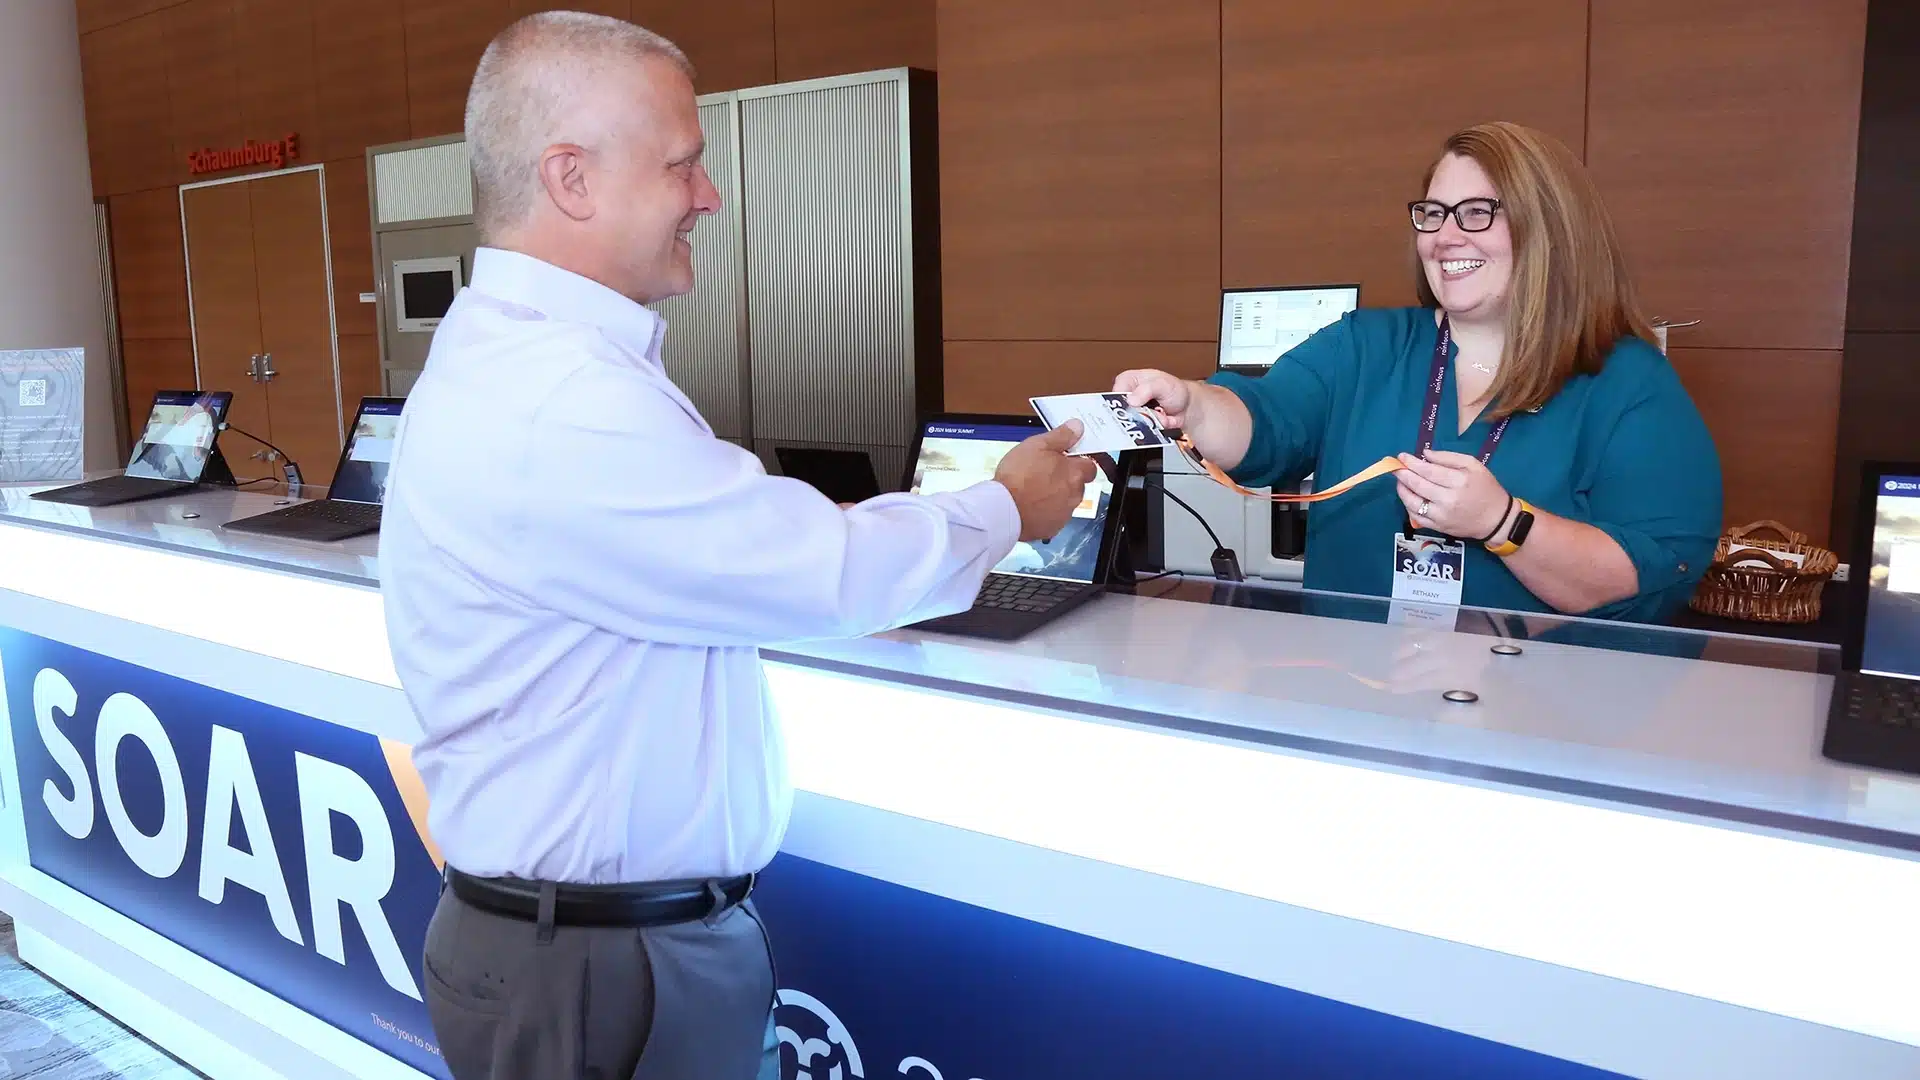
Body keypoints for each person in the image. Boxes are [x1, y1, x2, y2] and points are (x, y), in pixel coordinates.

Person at [376, 13, 1094, 1080]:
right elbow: (820, 570)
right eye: (683, 165)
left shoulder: (514, 360)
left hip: (577, 951)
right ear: (570, 178)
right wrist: (1005, 508)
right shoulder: (563, 397)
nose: (708, 197)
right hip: (600, 971)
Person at [1116, 121, 1723, 623]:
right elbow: (1266, 418)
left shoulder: (1627, 385)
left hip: (1530, 720)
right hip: (1353, 699)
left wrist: (1503, 523)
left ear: (1552, 231)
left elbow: (1646, 573)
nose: (1445, 235)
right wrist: (1192, 404)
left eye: (1478, 212)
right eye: (1433, 213)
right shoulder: (1364, 346)